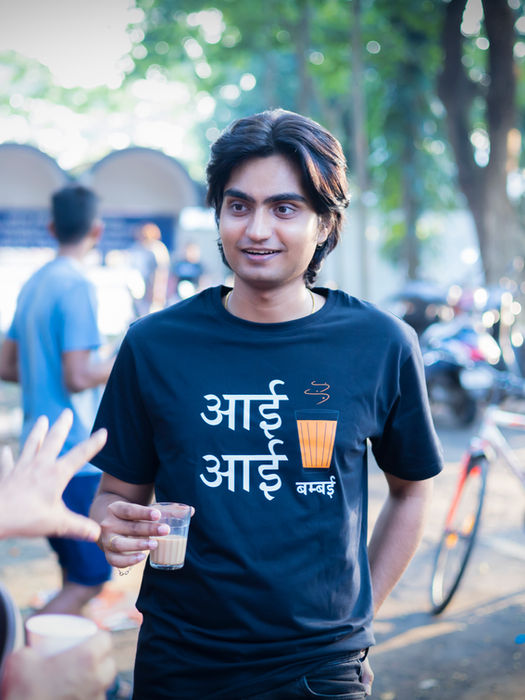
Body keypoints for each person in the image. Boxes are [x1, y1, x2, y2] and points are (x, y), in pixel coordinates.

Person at [90, 109, 444, 699]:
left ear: (325, 223)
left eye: (284, 208)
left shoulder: (381, 344)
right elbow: (115, 496)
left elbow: (411, 491)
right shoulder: (154, 345)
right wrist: (113, 527)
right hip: (180, 662)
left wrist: (359, 624)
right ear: (218, 214)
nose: (257, 230)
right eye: (239, 206)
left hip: (320, 671)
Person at [0, 184, 114, 617]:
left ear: (52, 228)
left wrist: (42, 373)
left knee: (73, 573)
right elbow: (79, 375)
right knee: (90, 580)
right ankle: (23, 651)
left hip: (37, 454)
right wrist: (123, 360)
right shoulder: (77, 285)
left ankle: (61, 656)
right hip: (73, 458)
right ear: (97, 230)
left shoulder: (33, 283)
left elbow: (6, 365)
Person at [0, 409, 117, 700]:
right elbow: (77, 381)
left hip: (61, 472)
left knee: (79, 578)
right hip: (80, 473)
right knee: (88, 580)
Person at [128, 222, 170, 316]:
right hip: (139, 289)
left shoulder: (157, 249)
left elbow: (161, 272)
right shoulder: (137, 247)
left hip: (153, 289)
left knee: (152, 314)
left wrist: (157, 291)